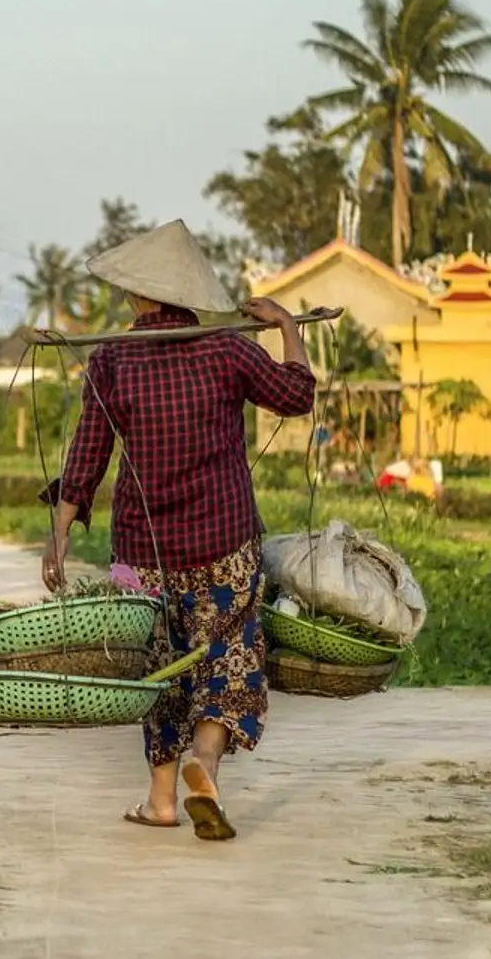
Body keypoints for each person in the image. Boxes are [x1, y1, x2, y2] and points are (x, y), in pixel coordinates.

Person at [41, 220, 316, 841]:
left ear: (139, 297)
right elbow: (296, 395)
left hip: (138, 554)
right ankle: (206, 763)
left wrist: (57, 533)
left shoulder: (112, 360)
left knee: (157, 666)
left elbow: (87, 456)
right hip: (223, 542)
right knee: (230, 655)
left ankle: (162, 799)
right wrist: (288, 327)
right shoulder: (226, 349)